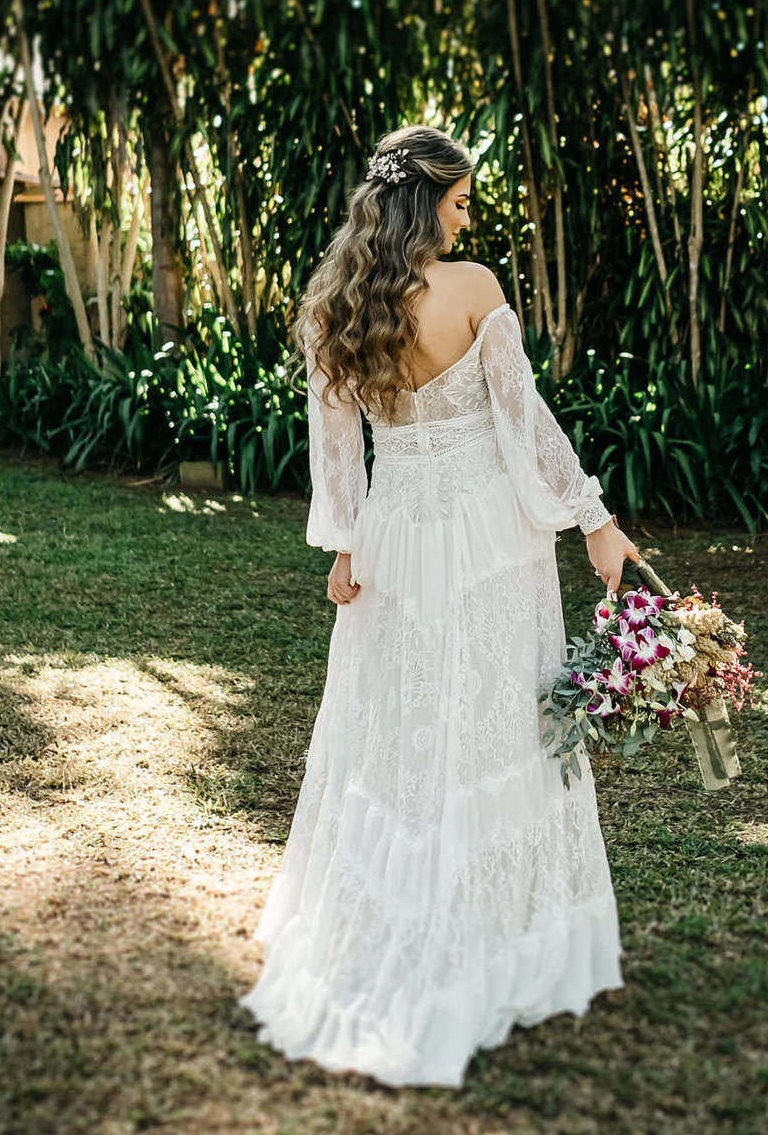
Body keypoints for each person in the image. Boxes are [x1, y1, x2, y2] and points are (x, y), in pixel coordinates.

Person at [236, 124, 639, 1088]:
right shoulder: (475, 291)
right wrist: (592, 518)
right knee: (496, 719)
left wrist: (341, 541)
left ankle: (398, 916)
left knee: (403, 724)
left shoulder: (335, 302)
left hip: (396, 532)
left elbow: (335, 444)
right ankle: (498, 947)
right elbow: (523, 423)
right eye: (459, 200)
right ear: (425, 202)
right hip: (488, 537)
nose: (469, 215)